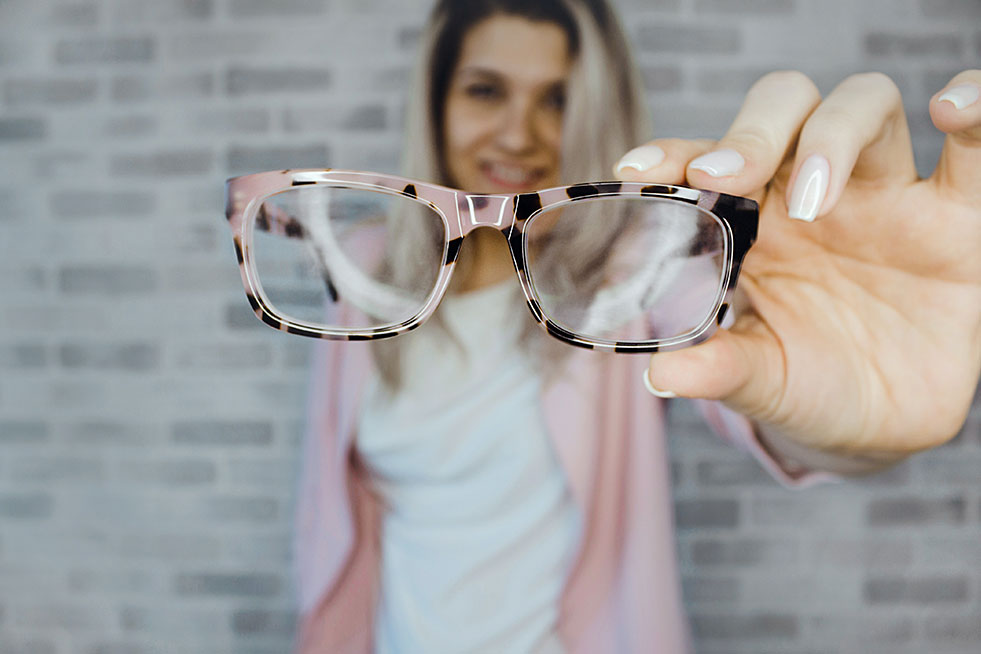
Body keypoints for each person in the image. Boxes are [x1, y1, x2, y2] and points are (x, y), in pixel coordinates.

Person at [291, 0, 981, 652]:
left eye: (557, 99)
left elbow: (770, 396)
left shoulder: (636, 266)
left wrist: (865, 415)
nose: (516, 134)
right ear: (435, 101)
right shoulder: (365, 269)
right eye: (485, 90)